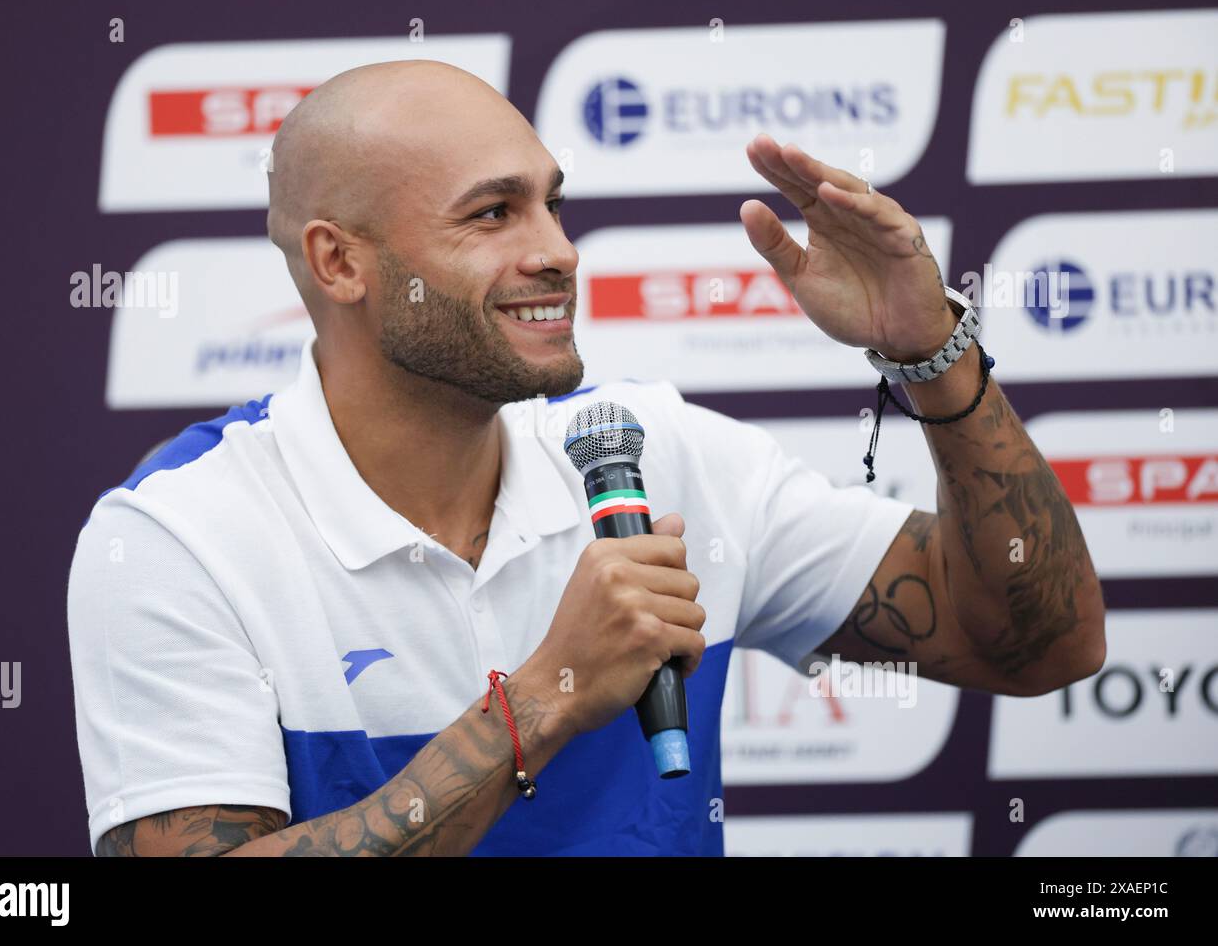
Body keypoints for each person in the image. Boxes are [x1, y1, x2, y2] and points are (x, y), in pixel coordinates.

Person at [66, 60, 1106, 857]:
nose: (557, 249)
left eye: (551, 202)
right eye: (492, 212)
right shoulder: (179, 536)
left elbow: (1035, 641)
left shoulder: (660, 451)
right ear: (340, 261)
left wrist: (930, 352)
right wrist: (549, 695)